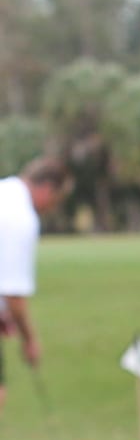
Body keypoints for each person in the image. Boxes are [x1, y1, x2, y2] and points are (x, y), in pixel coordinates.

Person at [0, 155, 67, 423]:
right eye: (56, 199)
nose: (52, 207)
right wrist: (29, 340)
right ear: (48, 188)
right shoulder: (20, 216)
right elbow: (15, 295)